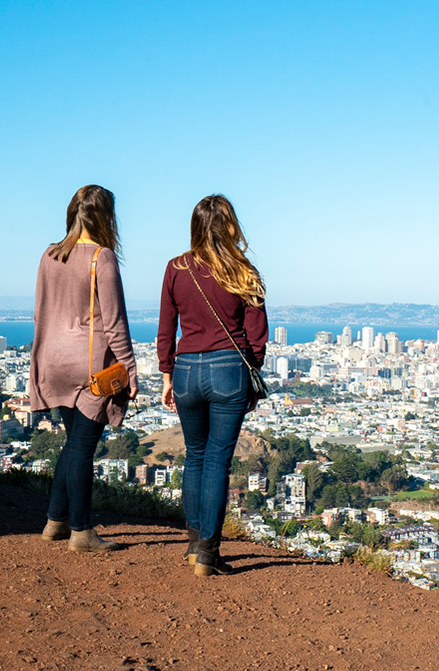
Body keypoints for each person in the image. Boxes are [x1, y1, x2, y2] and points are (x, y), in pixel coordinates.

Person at [157, 194, 269, 576]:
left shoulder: (176, 268)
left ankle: (193, 545)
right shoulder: (244, 271)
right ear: (231, 226)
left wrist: (167, 374)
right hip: (228, 369)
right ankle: (208, 552)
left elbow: (166, 328)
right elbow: (257, 334)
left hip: (187, 369)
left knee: (195, 456)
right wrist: (250, 376)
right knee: (218, 461)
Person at [29, 184, 137, 553]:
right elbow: (115, 323)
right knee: (83, 447)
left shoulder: (50, 254)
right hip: (89, 365)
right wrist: (129, 369)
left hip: (53, 359)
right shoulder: (101, 258)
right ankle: (82, 531)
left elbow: (40, 312)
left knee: (73, 442)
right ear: (106, 217)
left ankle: (55, 521)